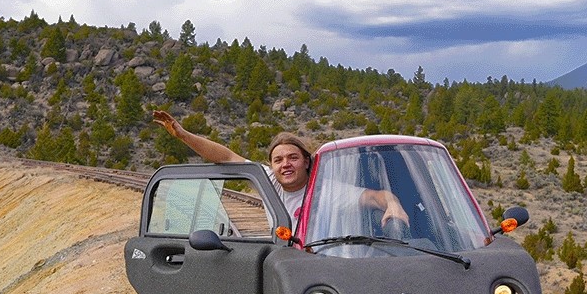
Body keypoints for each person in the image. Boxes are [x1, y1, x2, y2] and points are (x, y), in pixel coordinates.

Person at [151, 110, 408, 233]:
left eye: (293, 157)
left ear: (306, 162)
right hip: (282, 260)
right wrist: (183, 135)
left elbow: (376, 196)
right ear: (272, 165)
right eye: (278, 160)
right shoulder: (269, 181)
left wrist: (393, 204)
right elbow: (227, 156)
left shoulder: (324, 189)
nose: (285, 164)